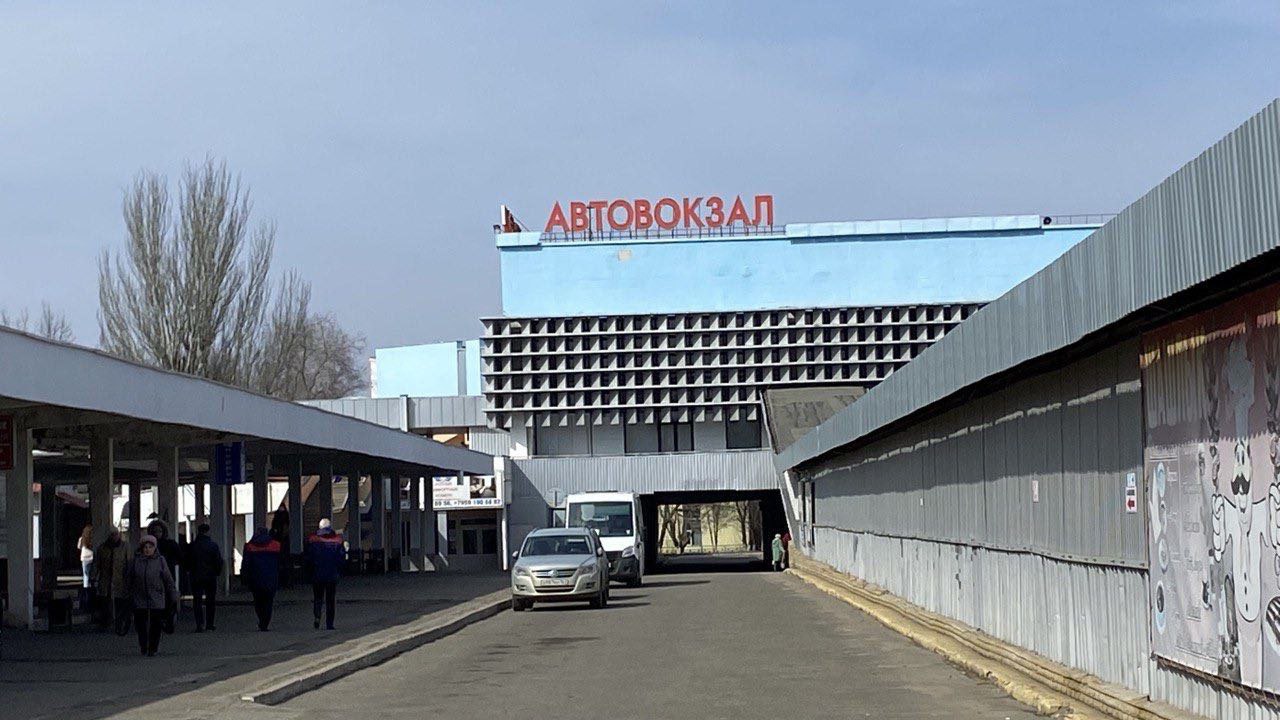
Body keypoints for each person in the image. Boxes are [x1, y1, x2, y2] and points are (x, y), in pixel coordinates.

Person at [125, 534, 178, 656]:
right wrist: (127, 593)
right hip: (139, 596)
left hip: (156, 596)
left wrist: (173, 594)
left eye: (150, 547)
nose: (147, 549)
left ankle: (153, 647)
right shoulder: (136, 561)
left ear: (155, 548)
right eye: (145, 547)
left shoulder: (160, 561)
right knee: (141, 624)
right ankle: (144, 645)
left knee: (156, 624)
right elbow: (129, 578)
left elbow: (168, 579)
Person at [242, 527, 282, 631]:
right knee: (268, 602)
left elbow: (246, 564)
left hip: (255, 579)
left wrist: (244, 578)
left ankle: (261, 619)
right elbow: (280, 563)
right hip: (271, 579)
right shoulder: (276, 545)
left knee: (258, 601)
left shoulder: (249, 546)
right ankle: (265, 622)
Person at [307, 518, 344, 630]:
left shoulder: (313, 540)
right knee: (330, 600)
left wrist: (310, 572)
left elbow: (309, 558)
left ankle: (317, 616)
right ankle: (329, 624)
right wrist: (339, 571)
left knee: (318, 598)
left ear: (320, 527)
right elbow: (341, 558)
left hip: (317, 575)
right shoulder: (337, 540)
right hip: (332, 575)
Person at [185, 523, 224, 632]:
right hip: (210, 577)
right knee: (210, 600)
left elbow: (187, 561)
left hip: (196, 576)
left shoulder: (192, 546)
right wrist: (217, 572)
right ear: (208, 532)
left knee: (197, 601)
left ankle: (199, 624)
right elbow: (218, 561)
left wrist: (189, 571)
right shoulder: (213, 545)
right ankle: (210, 624)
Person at [146, 519, 182, 633]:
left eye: (159, 531)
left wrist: (172, 563)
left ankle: (169, 620)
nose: (157, 534)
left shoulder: (170, 544)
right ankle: (158, 621)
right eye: (155, 531)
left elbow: (180, 557)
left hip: (168, 575)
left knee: (169, 599)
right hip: (153, 578)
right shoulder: (148, 546)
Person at [94, 527, 130, 634]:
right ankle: (105, 623)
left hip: (120, 580)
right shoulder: (102, 548)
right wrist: (93, 577)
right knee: (105, 602)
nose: (114, 536)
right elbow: (97, 564)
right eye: (112, 534)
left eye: (116, 534)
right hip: (106, 580)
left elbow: (129, 562)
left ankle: (120, 623)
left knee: (120, 602)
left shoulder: (125, 547)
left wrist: (129, 577)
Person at [77, 524, 95, 611]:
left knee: (85, 574)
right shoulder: (91, 539)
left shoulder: (82, 538)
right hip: (91, 557)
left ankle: (85, 587)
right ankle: (91, 585)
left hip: (84, 557)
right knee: (90, 573)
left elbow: (78, 547)